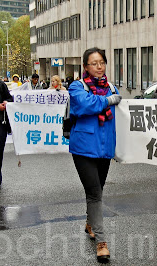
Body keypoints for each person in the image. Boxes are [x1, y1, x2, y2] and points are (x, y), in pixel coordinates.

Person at [69, 47, 121, 262]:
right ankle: (101, 242)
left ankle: (90, 223)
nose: (99, 67)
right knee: (94, 193)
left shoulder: (111, 87)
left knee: (97, 190)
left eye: (102, 62)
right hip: (83, 148)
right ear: (85, 67)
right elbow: (85, 105)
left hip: (105, 148)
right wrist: (108, 101)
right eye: (94, 63)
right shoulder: (76, 86)